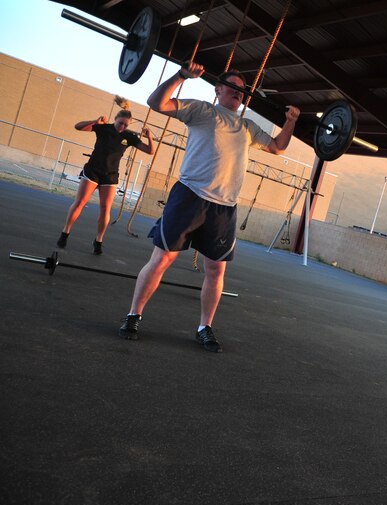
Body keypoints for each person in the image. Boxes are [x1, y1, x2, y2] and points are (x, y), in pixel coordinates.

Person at [118, 62, 300, 352]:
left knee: (215, 270)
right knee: (162, 260)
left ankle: (205, 327)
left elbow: (278, 147)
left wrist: (290, 120)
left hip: (224, 208)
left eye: (242, 89)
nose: (238, 93)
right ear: (218, 90)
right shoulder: (202, 110)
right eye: (233, 87)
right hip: (189, 196)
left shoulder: (248, 127)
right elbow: (157, 103)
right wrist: (181, 76)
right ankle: (133, 316)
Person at [57, 96, 155, 254]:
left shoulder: (129, 137)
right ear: (115, 119)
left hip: (110, 176)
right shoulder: (104, 128)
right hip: (93, 171)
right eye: (120, 123)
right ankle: (65, 232)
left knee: (105, 208)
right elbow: (78, 126)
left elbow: (150, 151)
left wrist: (149, 137)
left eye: (125, 125)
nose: (122, 127)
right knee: (80, 202)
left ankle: (99, 240)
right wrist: (95, 121)